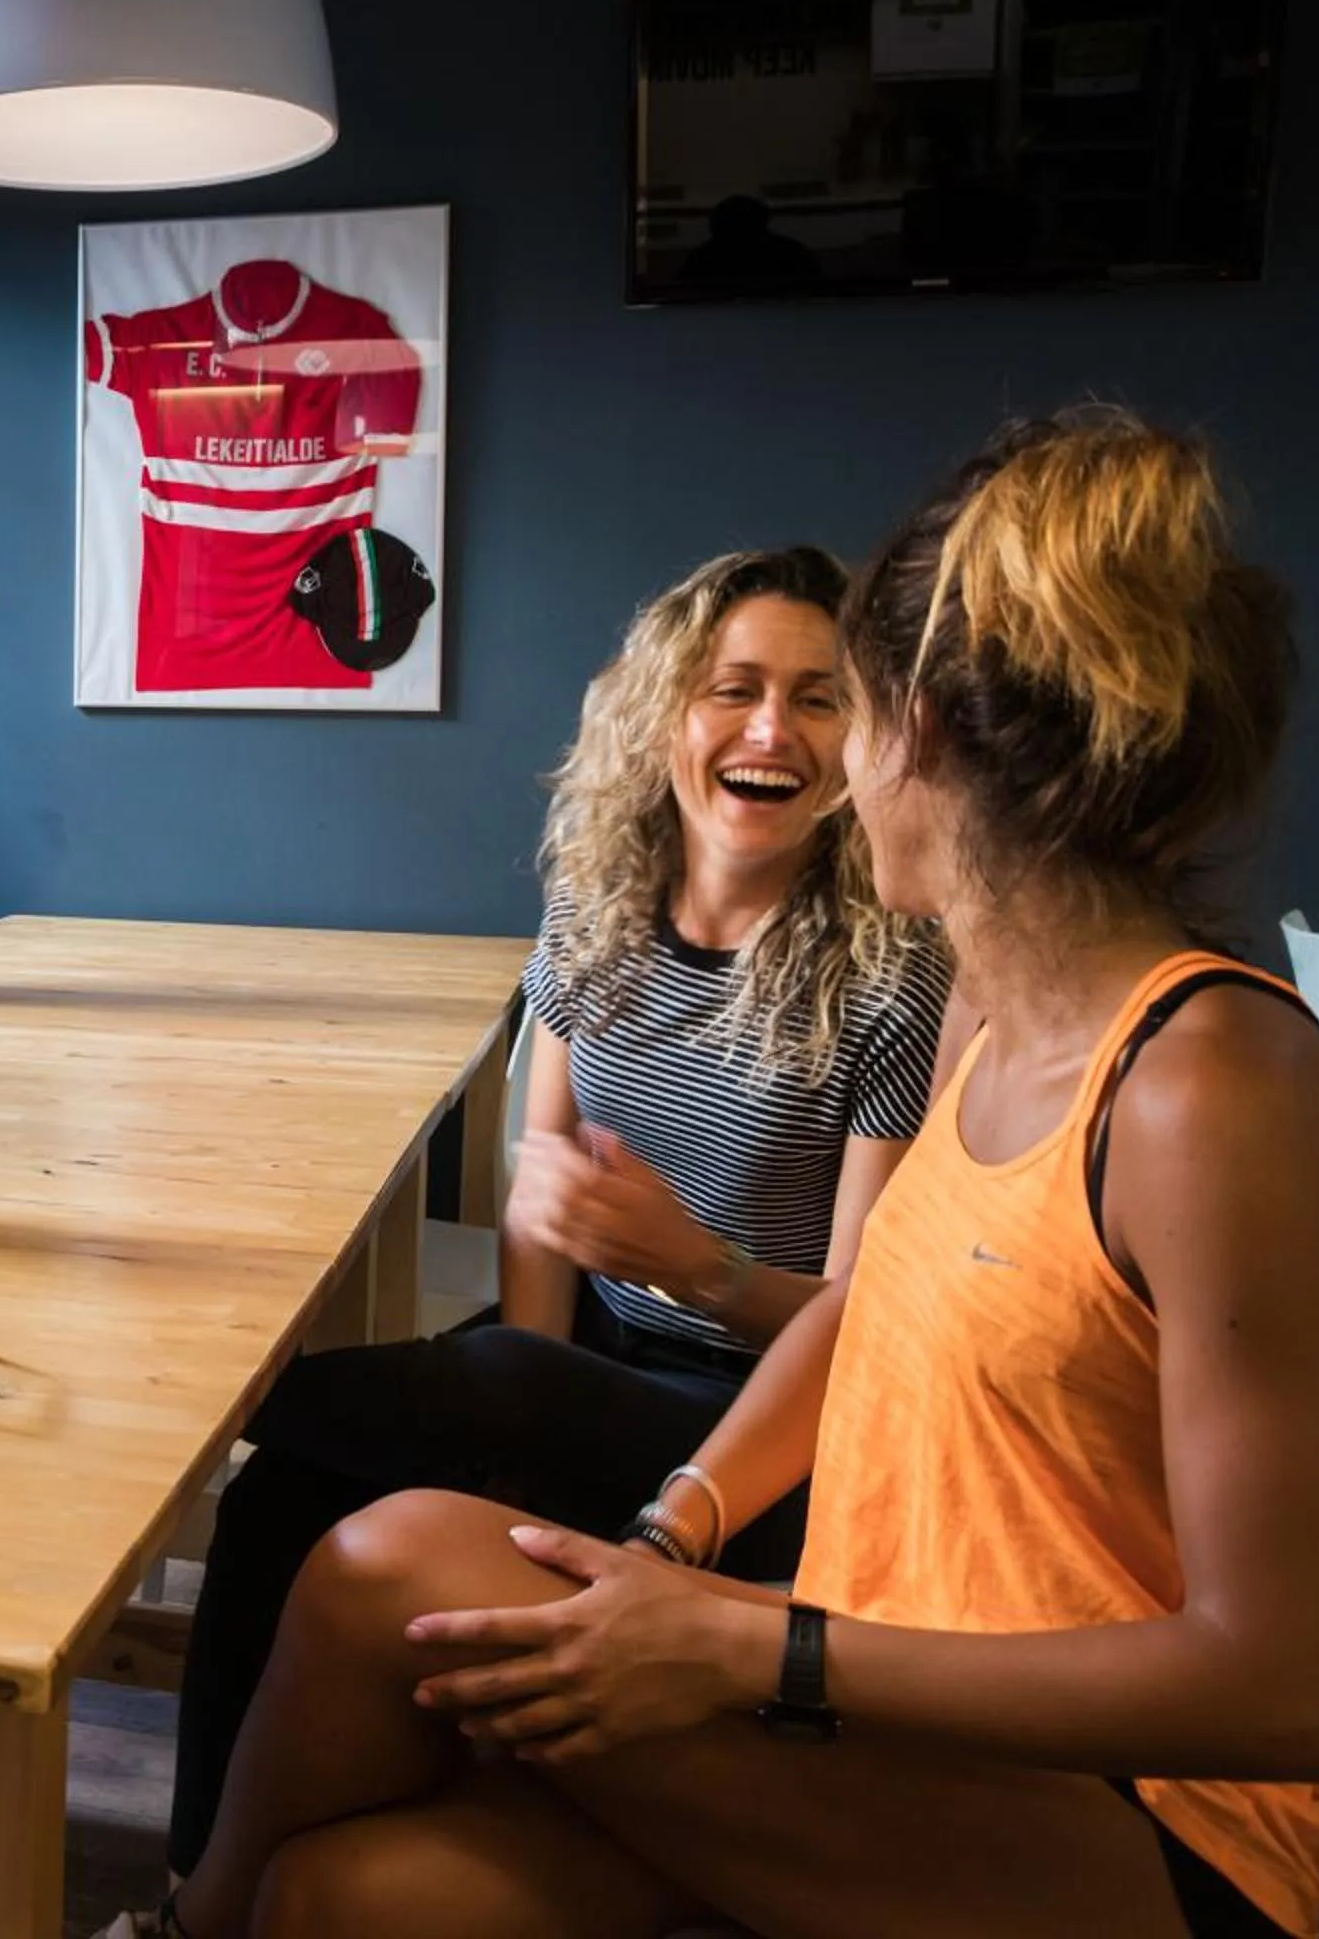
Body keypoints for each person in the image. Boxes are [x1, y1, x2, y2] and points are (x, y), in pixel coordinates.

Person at [136, 408, 1319, 1939]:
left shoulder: (1211, 1081)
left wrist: (761, 1653)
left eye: (853, 708)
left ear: (934, 737)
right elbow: (869, 1306)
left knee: (393, 1562)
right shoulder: (992, 1004)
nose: (826, 757)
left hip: (1148, 1836)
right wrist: (669, 1545)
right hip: (881, 1698)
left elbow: (1282, 1685)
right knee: (344, 1893)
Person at [165, 546, 951, 1876]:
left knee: (447, 1391)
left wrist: (698, 1271)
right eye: (734, 688)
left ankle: (177, 1414)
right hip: (570, 1369)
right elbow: (542, 1194)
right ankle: (196, 1884)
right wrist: (533, 1409)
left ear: (863, 737)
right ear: (665, 716)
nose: (772, 730)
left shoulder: (894, 974)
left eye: (819, 699)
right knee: (281, 1495)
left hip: (756, 1435)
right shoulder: (594, 905)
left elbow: (860, 1329)